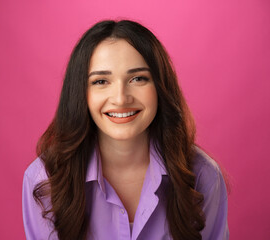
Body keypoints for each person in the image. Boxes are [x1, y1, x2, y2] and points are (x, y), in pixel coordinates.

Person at [22, 20, 229, 240]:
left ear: (160, 87)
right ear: (80, 93)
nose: (121, 98)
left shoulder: (202, 175)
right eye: (101, 81)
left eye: (138, 78)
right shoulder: (44, 180)